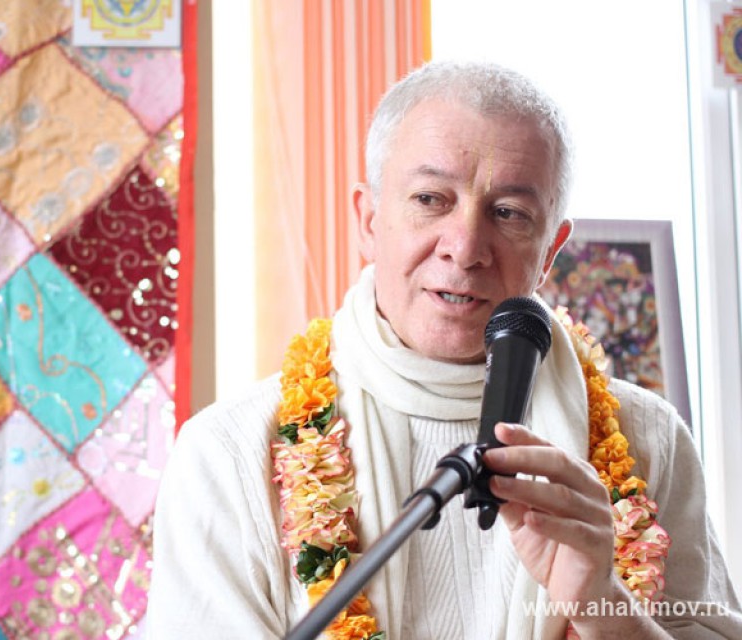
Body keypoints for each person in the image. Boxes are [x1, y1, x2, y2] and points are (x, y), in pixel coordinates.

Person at [147, 60, 742, 639]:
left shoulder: (648, 439)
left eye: (508, 213)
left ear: (550, 251)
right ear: (368, 220)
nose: (465, 247)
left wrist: (602, 606)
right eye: (431, 199)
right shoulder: (229, 454)